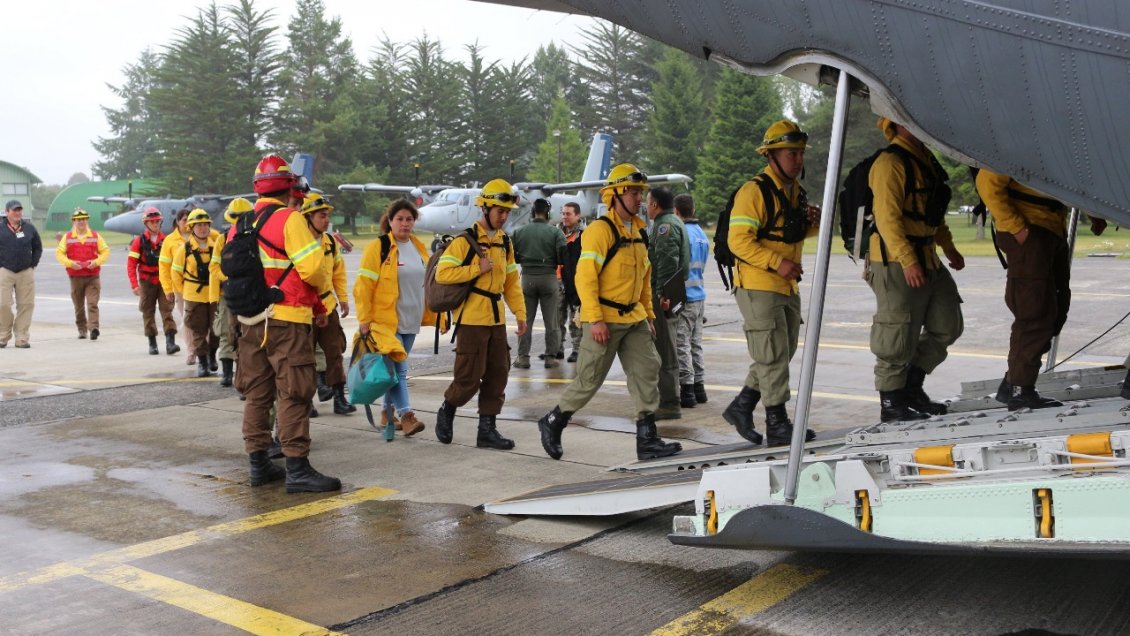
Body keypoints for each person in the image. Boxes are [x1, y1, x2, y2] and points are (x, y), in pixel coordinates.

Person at [537, 164, 683, 462]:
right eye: (631, 191)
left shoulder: (640, 233)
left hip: (634, 319)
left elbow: (644, 278)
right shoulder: (600, 231)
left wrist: (648, 315)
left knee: (648, 369)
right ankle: (554, 420)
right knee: (589, 380)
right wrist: (595, 318)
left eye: (640, 192)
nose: (637, 198)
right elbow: (585, 277)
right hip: (604, 319)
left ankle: (648, 440)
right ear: (613, 195)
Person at [235, 154, 338, 493]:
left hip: (250, 320)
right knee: (294, 392)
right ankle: (296, 467)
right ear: (288, 187)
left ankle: (258, 464)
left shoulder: (241, 221)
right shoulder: (290, 219)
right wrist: (324, 301)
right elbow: (313, 270)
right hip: (288, 318)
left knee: (258, 393)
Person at [722, 120, 819, 447]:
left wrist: (812, 226)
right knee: (773, 353)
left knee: (781, 350)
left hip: (785, 284)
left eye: (801, 153)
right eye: (792, 153)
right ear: (772, 155)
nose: (798, 159)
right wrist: (778, 263)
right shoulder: (754, 192)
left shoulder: (794, 192)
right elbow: (739, 241)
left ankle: (742, 406)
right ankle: (777, 424)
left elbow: (786, 233)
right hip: (758, 283)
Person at [976, 169, 1107, 411]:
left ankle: (1012, 382)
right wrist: (1016, 228)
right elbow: (986, 183)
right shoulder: (1015, 139)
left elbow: (1064, 182)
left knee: (1055, 312)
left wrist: (1093, 213)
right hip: (1030, 232)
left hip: (1050, 231)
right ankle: (1020, 390)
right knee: (1034, 313)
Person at [867, 118, 965, 422]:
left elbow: (932, 213)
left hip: (927, 256)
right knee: (897, 334)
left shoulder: (924, 161)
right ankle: (891, 403)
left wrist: (947, 247)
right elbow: (887, 219)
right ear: (897, 124)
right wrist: (908, 260)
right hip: (896, 261)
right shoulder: (890, 163)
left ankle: (911, 387)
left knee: (948, 325)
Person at [434, 178, 527, 450]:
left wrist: (519, 314)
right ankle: (447, 409)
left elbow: (511, 282)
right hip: (472, 319)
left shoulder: (504, 242)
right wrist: (477, 269)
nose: (504, 216)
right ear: (485, 208)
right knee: (468, 377)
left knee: (499, 373)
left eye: (507, 211)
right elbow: (443, 273)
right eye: (499, 210)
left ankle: (487, 430)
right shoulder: (465, 241)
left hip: (496, 319)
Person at [355, 199, 448, 437]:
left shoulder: (418, 247)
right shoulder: (380, 247)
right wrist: (364, 319)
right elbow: (363, 286)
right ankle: (407, 415)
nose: (405, 224)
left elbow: (428, 284)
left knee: (392, 371)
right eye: (400, 219)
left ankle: (387, 413)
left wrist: (440, 317)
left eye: (409, 219)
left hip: (411, 318)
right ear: (390, 221)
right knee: (399, 370)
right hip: (387, 321)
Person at [302, 193, 354, 416]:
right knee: (303, 356)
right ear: (308, 217)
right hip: (304, 307)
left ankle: (339, 399)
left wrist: (342, 299)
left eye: (327, 216)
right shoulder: (299, 243)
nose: (326, 220)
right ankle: (306, 402)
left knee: (334, 352)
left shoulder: (330, 242)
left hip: (327, 303)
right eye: (322, 216)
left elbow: (338, 273)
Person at [646, 186, 691, 420]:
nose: (645, 206)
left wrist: (663, 294)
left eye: (647, 202)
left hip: (662, 295)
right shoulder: (674, 222)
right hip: (670, 293)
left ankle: (669, 402)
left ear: (655, 205)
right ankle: (666, 398)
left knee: (665, 348)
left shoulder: (665, 227)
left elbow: (667, 262)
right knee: (665, 346)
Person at [512, 197, 564, 369]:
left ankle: (523, 358)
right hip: (549, 278)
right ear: (548, 214)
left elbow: (513, 256)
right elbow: (562, 257)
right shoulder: (556, 232)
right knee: (552, 321)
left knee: (526, 320)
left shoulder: (519, 232)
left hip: (527, 278)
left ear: (533, 212)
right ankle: (550, 358)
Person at [209, 198, 254, 387]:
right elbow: (214, 266)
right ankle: (227, 373)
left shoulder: (256, 238)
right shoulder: (223, 239)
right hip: (229, 295)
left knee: (248, 336)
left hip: (251, 294)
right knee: (227, 334)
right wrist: (228, 280)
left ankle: (244, 378)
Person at [171, 209, 220, 378]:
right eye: (198, 225)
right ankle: (203, 363)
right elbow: (175, 273)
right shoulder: (184, 249)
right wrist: (184, 292)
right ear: (191, 227)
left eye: (206, 225)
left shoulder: (217, 246)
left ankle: (213, 355)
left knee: (216, 329)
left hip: (214, 296)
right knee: (198, 331)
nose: (203, 228)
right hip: (193, 296)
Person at [127, 208, 180, 355]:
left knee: (167, 309)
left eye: (157, 221)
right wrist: (134, 285)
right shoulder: (139, 241)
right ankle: (152, 343)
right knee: (147, 311)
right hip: (146, 281)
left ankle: (171, 343)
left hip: (164, 281)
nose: (155, 224)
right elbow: (131, 264)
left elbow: (176, 262)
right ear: (146, 223)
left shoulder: (167, 240)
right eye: (152, 222)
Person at [674, 193, 709, 407]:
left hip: (685, 297)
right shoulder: (701, 234)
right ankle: (699, 387)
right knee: (696, 344)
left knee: (681, 344)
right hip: (699, 295)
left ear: (676, 212)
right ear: (693, 210)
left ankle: (687, 391)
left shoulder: (682, 234)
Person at [55, 207, 110, 341]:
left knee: (92, 303)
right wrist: (70, 263)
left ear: (87, 220)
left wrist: (96, 262)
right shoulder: (67, 237)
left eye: (84, 219)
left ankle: (94, 328)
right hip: (75, 277)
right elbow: (59, 253)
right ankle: (82, 329)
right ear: (74, 221)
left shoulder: (95, 236)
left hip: (93, 277)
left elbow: (106, 251)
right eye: (78, 220)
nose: (81, 222)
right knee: (78, 306)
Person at [0, 200, 42, 349]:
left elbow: (37, 247)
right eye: (14, 210)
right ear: (7, 212)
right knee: (3, 304)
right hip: (5, 271)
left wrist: (32, 265)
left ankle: (22, 337)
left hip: (25, 271)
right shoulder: (1, 228)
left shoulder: (29, 228)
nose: (17, 213)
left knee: (26, 305)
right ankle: (3, 335)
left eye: (19, 210)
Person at [159, 208, 190, 362]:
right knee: (187, 319)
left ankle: (203, 349)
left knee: (204, 321)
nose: (187, 223)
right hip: (180, 288)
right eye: (184, 220)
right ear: (177, 222)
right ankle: (192, 351)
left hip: (201, 287)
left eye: (190, 219)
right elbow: (164, 267)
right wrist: (167, 288)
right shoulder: (169, 240)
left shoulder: (202, 236)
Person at [556, 202, 584, 362]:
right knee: (557, 317)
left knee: (576, 318)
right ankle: (557, 348)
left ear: (577, 216)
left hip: (576, 282)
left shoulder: (584, 234)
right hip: (559, 281)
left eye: (568, 214)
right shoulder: (557, 233)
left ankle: (577, 349)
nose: (564, 217)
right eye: (563, 213)